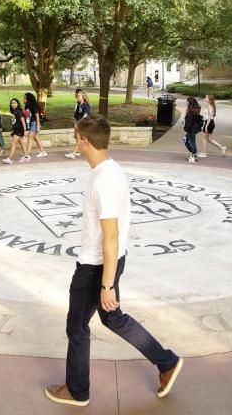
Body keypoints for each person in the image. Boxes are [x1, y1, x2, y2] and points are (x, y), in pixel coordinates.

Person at [44, 116, 183, 407]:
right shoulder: (110, 170)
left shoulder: (104, 181)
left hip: (96, 267)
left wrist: (106, 285)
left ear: (84, 140)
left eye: (76, 138)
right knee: (113, 317)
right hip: (111, 261)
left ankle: (77, 391)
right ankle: (166, 362)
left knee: (77, 327)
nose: (75, 144)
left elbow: (110, 236)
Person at [2, 98, 30, 164]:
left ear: (18, 104)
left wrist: (25, 130)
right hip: (16, 130)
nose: (13, 104)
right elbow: (15, 122)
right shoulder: (14, 111)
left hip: (19, 130)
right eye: (12, 103)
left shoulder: (19, 111)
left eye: (15, 103)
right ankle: (26, 156)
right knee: (21, 143)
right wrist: (13, 129)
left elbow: (23, 121)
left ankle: (10, 158)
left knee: (13, 144)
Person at [65, 89, 90, 159]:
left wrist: (78, 123)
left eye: (79, 95)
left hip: (84, 125)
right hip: (79, 124)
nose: (77, 97)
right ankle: (83, 151)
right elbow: (76, 116)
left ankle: (73, 154)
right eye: (77, 95)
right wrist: (75, 123)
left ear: (83, 97)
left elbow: (85, 116)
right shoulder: (79, 104)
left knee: (79, 139)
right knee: (78, 138)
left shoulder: (85, 105)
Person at [23, 92, 48, 158]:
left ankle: (27, 154)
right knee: (36, 138)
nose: (23, 99)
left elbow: (37, 116)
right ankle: (43, 152)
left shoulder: (34, 105)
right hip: (30, 123)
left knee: (30, 138)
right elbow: (27, 115)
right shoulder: (27, 105)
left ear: (28, 98)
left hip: (34, 123)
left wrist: (38, 126)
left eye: (25, 98)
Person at [183, 97, 203, 163]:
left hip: (191, 129)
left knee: (191, 142)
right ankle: (193, 154)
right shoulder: (193, 110)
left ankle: (193, 155)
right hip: (193, 129)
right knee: (187, 141)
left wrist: (185, 130)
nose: (186, 102)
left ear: (189, 102)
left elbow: (189, 122)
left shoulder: (191, 111)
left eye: (187, 101)